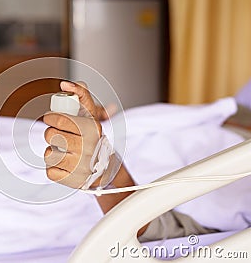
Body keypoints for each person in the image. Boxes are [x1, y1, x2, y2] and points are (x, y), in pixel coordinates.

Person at [43, 81, 218, 241]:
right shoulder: (232, 112)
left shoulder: (241, 173)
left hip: (88, 184)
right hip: (123, 135)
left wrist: (103, 171)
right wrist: (90, 118)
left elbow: (171, 233)